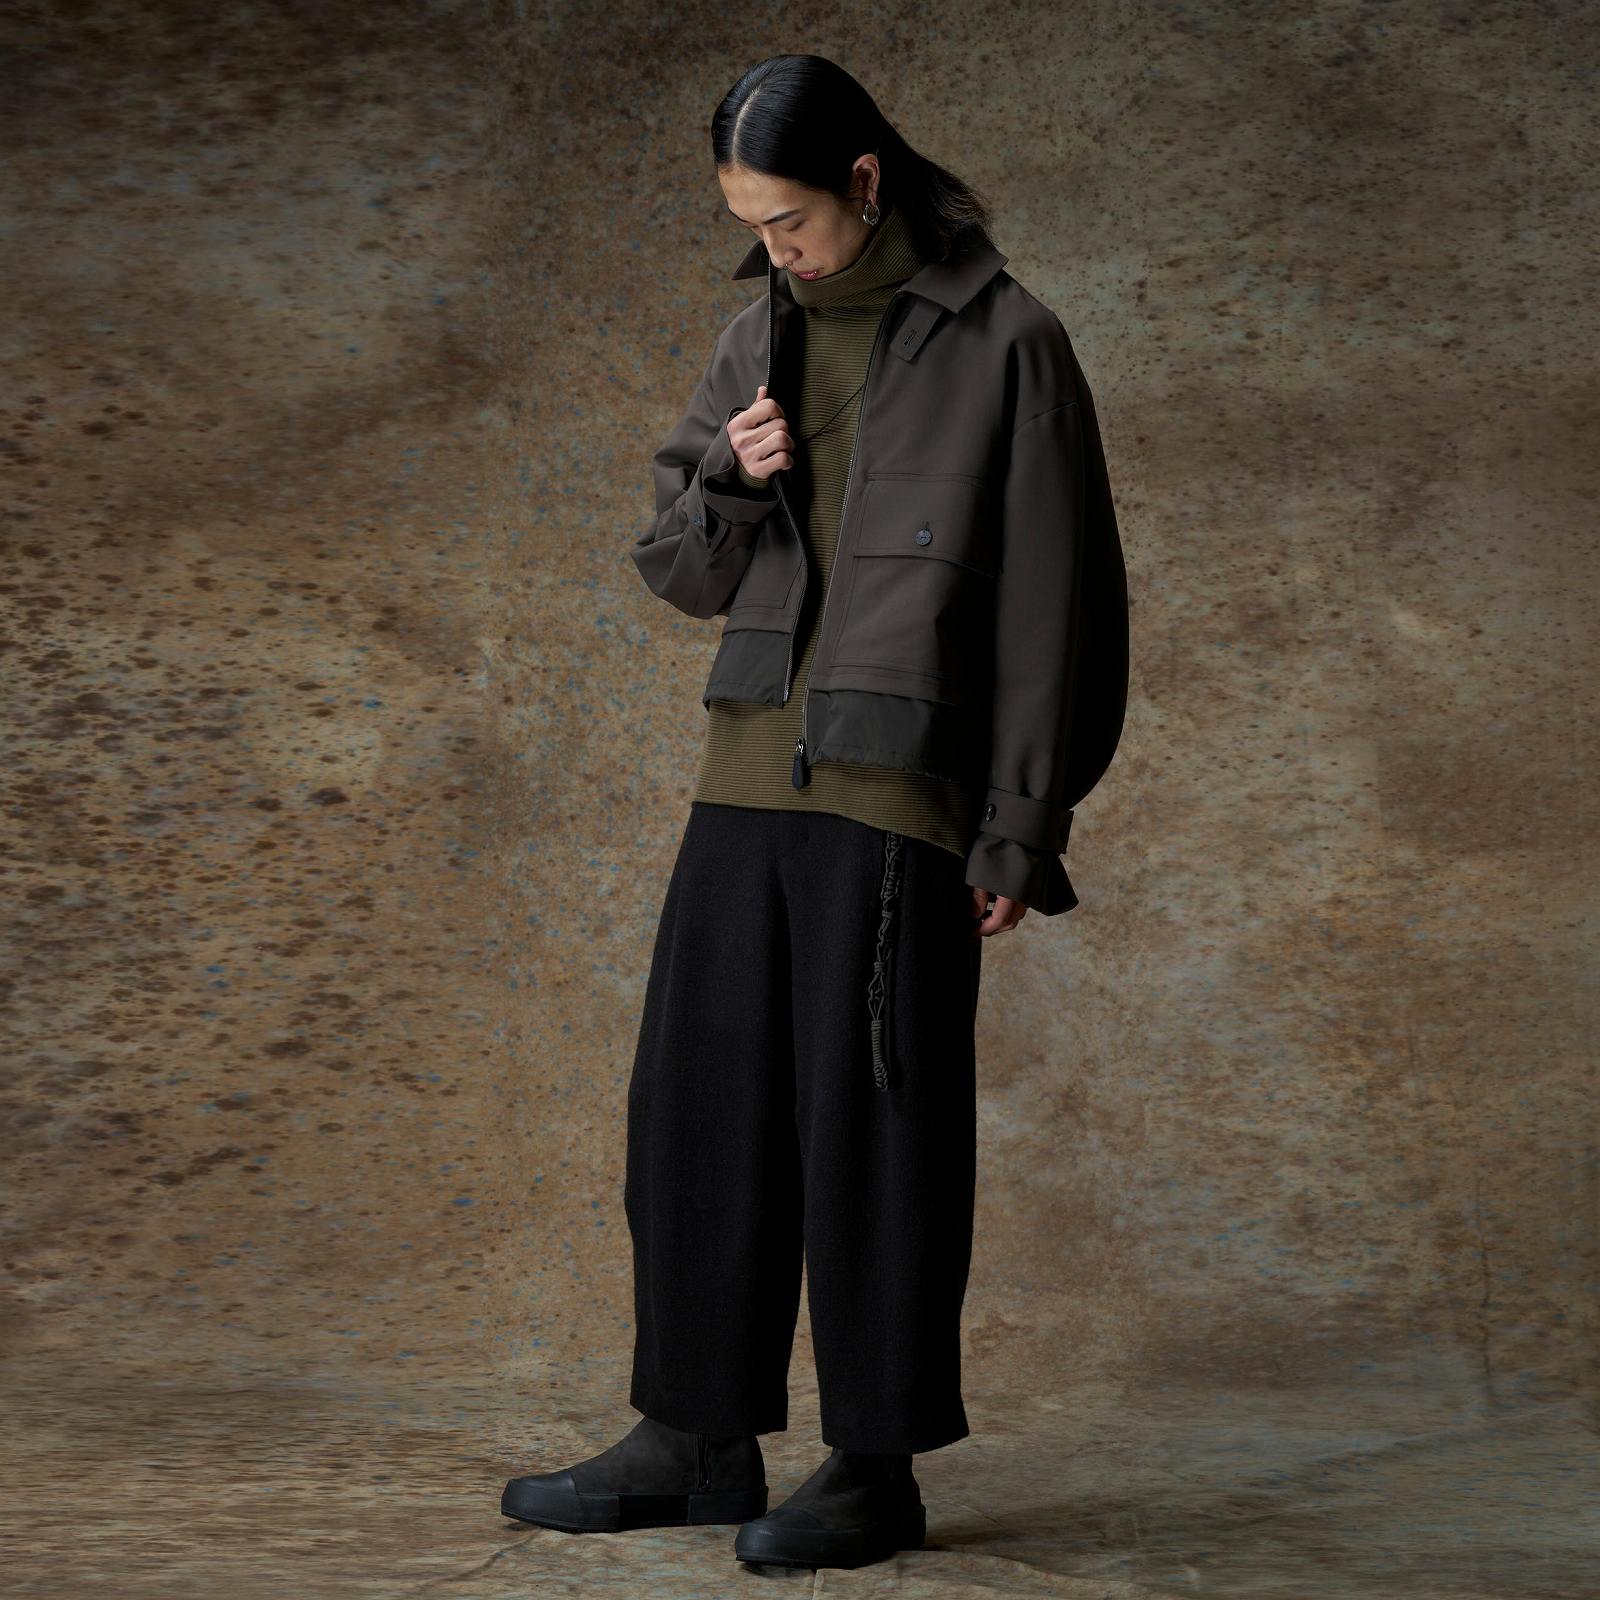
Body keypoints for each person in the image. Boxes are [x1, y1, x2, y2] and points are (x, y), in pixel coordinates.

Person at [501, 53, 1128, 1572]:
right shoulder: (756, 338)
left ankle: (874, 1463)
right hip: (744, 777)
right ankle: (696, 1436)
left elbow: (1061, 611)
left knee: (875, 1134)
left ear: (863, 179)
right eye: (749, 226)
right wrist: (728, 477)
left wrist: (1020, 825)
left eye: (789, 220)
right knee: (697, 1112)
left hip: (900, 795)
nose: (774, 250)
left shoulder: (1011, 345)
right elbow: (678, 568)